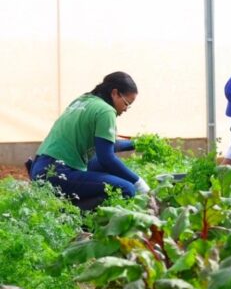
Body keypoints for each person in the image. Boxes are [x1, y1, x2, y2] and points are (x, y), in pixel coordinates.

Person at [29, 71, 150, 210]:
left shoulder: (83, 100)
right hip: (57, 174)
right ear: (115, 93)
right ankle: (69, 212)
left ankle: (72, 203)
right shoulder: (106, 111)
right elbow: (107, 158)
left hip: (40, 169)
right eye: (127, 103)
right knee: (127, 189)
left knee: (101, 165)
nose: (126, 109)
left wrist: (135, 144)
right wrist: (138, 182)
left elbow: (105, 146)